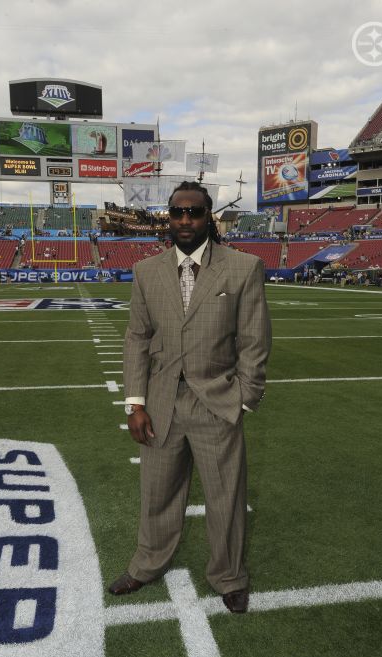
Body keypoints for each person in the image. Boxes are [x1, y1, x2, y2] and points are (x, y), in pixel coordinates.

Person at [109, 181, 271, 614]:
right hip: (161, 403)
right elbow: (136, 338)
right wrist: (135, 403)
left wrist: (243, 399)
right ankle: (147, 564)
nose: (185, 221)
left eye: (194, 213)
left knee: (225, 497)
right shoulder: (147, 271)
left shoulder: (243, 268)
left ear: (208, 216)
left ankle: (229, 575)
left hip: (216, 402)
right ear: (168, 216)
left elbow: (254, 340)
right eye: (177, 213)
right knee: (157, 493)